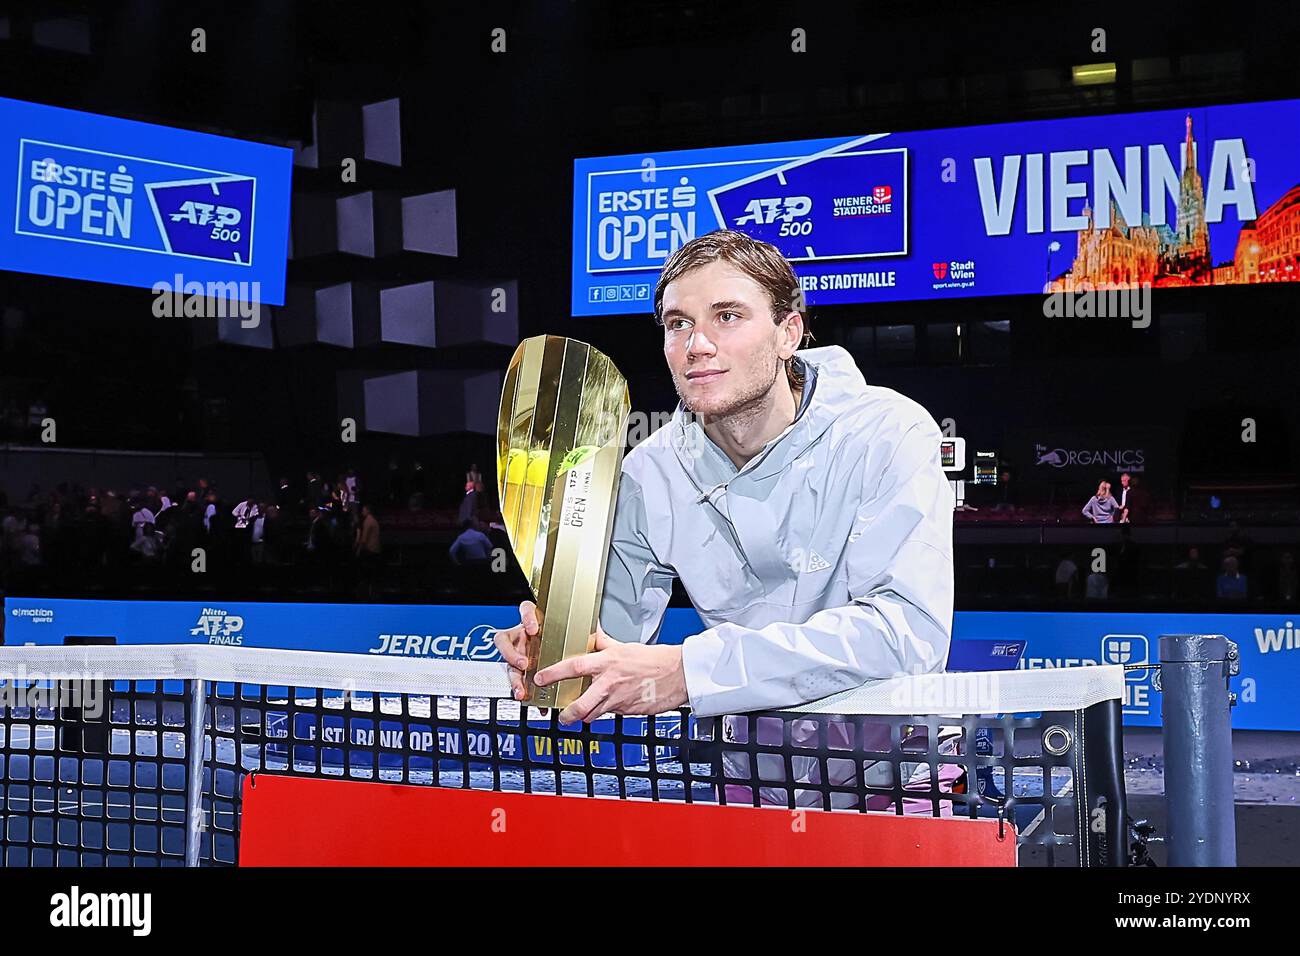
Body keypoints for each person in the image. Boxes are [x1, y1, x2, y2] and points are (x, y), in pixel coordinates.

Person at [494, 228, 954, 718]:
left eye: (728, 316)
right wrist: (556, 649)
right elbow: (609, 644)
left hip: (898, 774)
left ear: (788, 334)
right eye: (678, 324)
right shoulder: (650, 472)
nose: (698, 344)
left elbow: (906, 635)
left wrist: (691, 672)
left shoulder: (888, 431)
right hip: (744, 774)